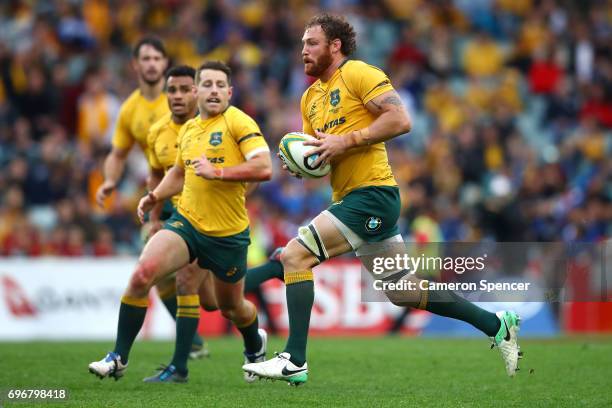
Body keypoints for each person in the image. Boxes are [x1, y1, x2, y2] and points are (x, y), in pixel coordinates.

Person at [243, 14, 521, 386]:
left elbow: (400, 119)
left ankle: (294, 359)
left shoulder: (359, 74)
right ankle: (496, 324)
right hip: (352, 197)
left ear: (335, 45)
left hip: (373, 194)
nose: (303, 50)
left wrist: (348, 140)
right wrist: (306, 164)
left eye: (311, 43)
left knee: (295, 255)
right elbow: (323, 158)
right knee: (402, 290)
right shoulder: (310, 98)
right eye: (302, 44)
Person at [88, 60, 272, 383]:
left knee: (228, 307)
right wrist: (155, 196)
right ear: (197, 92)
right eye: (207, 85)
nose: (213, 90)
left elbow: (264, 167)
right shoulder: (188, 130)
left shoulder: (238, 122)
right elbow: (178, 172)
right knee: (143, 273)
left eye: (220, 85)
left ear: (229, 92)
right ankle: (118, 357)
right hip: (187, 224)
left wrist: (219, 172)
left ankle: (255, 343)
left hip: (227, 235)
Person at [94, 37, 206, 357]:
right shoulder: (130, 110)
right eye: (146, 58)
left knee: (212, 294)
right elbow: (118, 153)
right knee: (155, 274)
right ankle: (191, 342)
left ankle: (270, 274)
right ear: (136, 64)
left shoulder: (184, 98)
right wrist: (110, 181)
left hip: (200, 196)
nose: (153, 63)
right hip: (162, 196)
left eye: (158, 57)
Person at [138, 65, 218, 382]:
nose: (178, 95)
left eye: (186, 89)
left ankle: (180, 365)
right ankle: (193, 345)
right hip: (175, 217)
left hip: (208, 218)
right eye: (173, 90)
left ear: (197, 92)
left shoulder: (219, 125)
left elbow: (251, 171)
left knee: (210, 297)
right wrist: (155, 217)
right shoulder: (158, 131)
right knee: (163, 282)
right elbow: (158, 173)